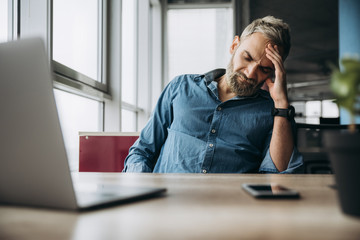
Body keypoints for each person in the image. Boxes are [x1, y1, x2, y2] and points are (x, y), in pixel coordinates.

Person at [123, 16, 303, 173]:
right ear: (234, 46)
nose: (250, 74)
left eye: (264, 69)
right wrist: (142, 191)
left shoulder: (275, 112)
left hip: (230, 209)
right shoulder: (180, 87)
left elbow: (279, 177)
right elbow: (142, 151)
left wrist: (280, 103)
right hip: (166, 205)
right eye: (247, 58)